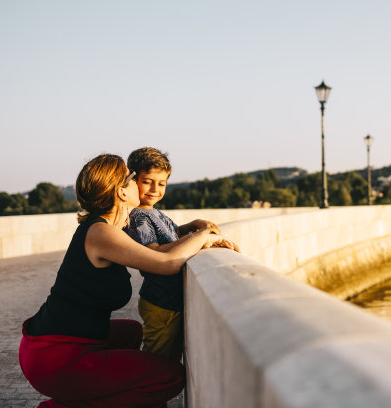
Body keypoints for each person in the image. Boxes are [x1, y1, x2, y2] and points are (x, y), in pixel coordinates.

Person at [19, 153, 238, 408]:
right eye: (133, 178)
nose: (139, 183)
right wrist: (204, 236)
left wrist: (192, 231)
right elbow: (167, 263)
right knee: (170, 377)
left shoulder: (111, 228)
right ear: (122, 192)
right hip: (54, 358)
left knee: (131, 331)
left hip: (64, 345)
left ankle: (86, 390)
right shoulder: (100, 232)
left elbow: (160, 249)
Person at [125, 147, 227, 361]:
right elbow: (153, 254)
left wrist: (194, 225)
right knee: (157, 361)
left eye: (161, 184)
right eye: (147, 181)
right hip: (160, 303)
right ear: (132, 180)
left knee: (167, 358)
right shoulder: (138, 217)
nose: (155, 189)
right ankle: (144, 392)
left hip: (167, 301)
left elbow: (173, 234)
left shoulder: (152, 211)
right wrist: (200, 238)